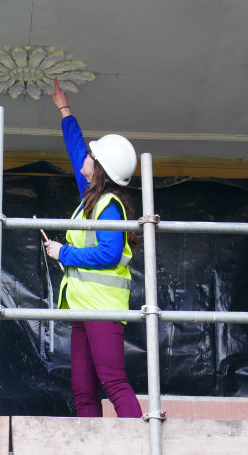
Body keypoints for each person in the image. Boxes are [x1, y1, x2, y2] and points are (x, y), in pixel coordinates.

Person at [44, 78, 143, 418]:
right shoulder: (92, 199)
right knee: (83, 393)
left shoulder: (108, 206)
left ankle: (141, 446)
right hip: (83, 308)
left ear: (98, 169)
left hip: (102, 309)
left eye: (91, 155)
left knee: (113, 382)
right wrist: (64, 110)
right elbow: (75, 151)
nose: (84, 156)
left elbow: (109, 254)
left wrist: (64, 253)